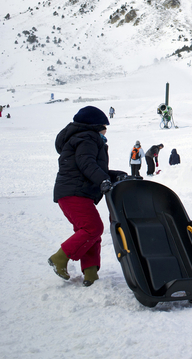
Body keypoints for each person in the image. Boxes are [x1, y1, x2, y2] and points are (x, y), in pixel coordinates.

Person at [48, 106, 111, 287]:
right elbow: (87, 164)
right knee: (93, 228)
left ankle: (90, 273)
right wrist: (103, 181)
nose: (106, 130)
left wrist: (113, 176)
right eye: (104, 126)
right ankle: (59, 258)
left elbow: (92, 167)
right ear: (95, 125)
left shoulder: (83, 138)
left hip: (73, 192)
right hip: (74, 192)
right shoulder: (88, 138)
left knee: (89, 232)